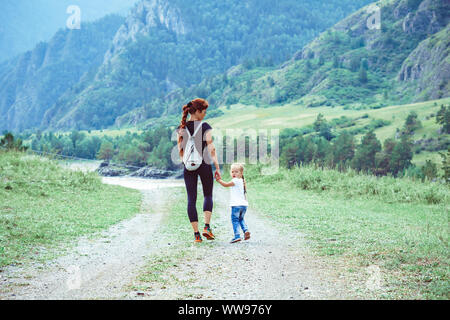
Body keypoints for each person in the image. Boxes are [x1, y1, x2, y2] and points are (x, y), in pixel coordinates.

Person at [177, 98, 222, 243]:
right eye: (204, 112)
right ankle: (206, 227)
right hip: (204, 163)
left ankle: (196, 235)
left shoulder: (182, 127)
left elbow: (180, 150)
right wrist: (217, 166)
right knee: (207, 194)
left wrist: (186, 162)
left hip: (188, 166)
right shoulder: (204, 126)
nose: (205, 115)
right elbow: (211, 148)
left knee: (191, 199)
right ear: (197, 111)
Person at [215, 163, 250, 243]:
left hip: (236, 205)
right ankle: (246, 230)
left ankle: (237, 236)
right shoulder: (242, 181)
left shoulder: (235, 180)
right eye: (232, 171)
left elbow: (226, 184)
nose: (234, 173)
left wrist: (219, 180)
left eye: (236, 172)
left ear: (241, 173)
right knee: (241, 219)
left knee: (235, 220)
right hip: (244, 205)